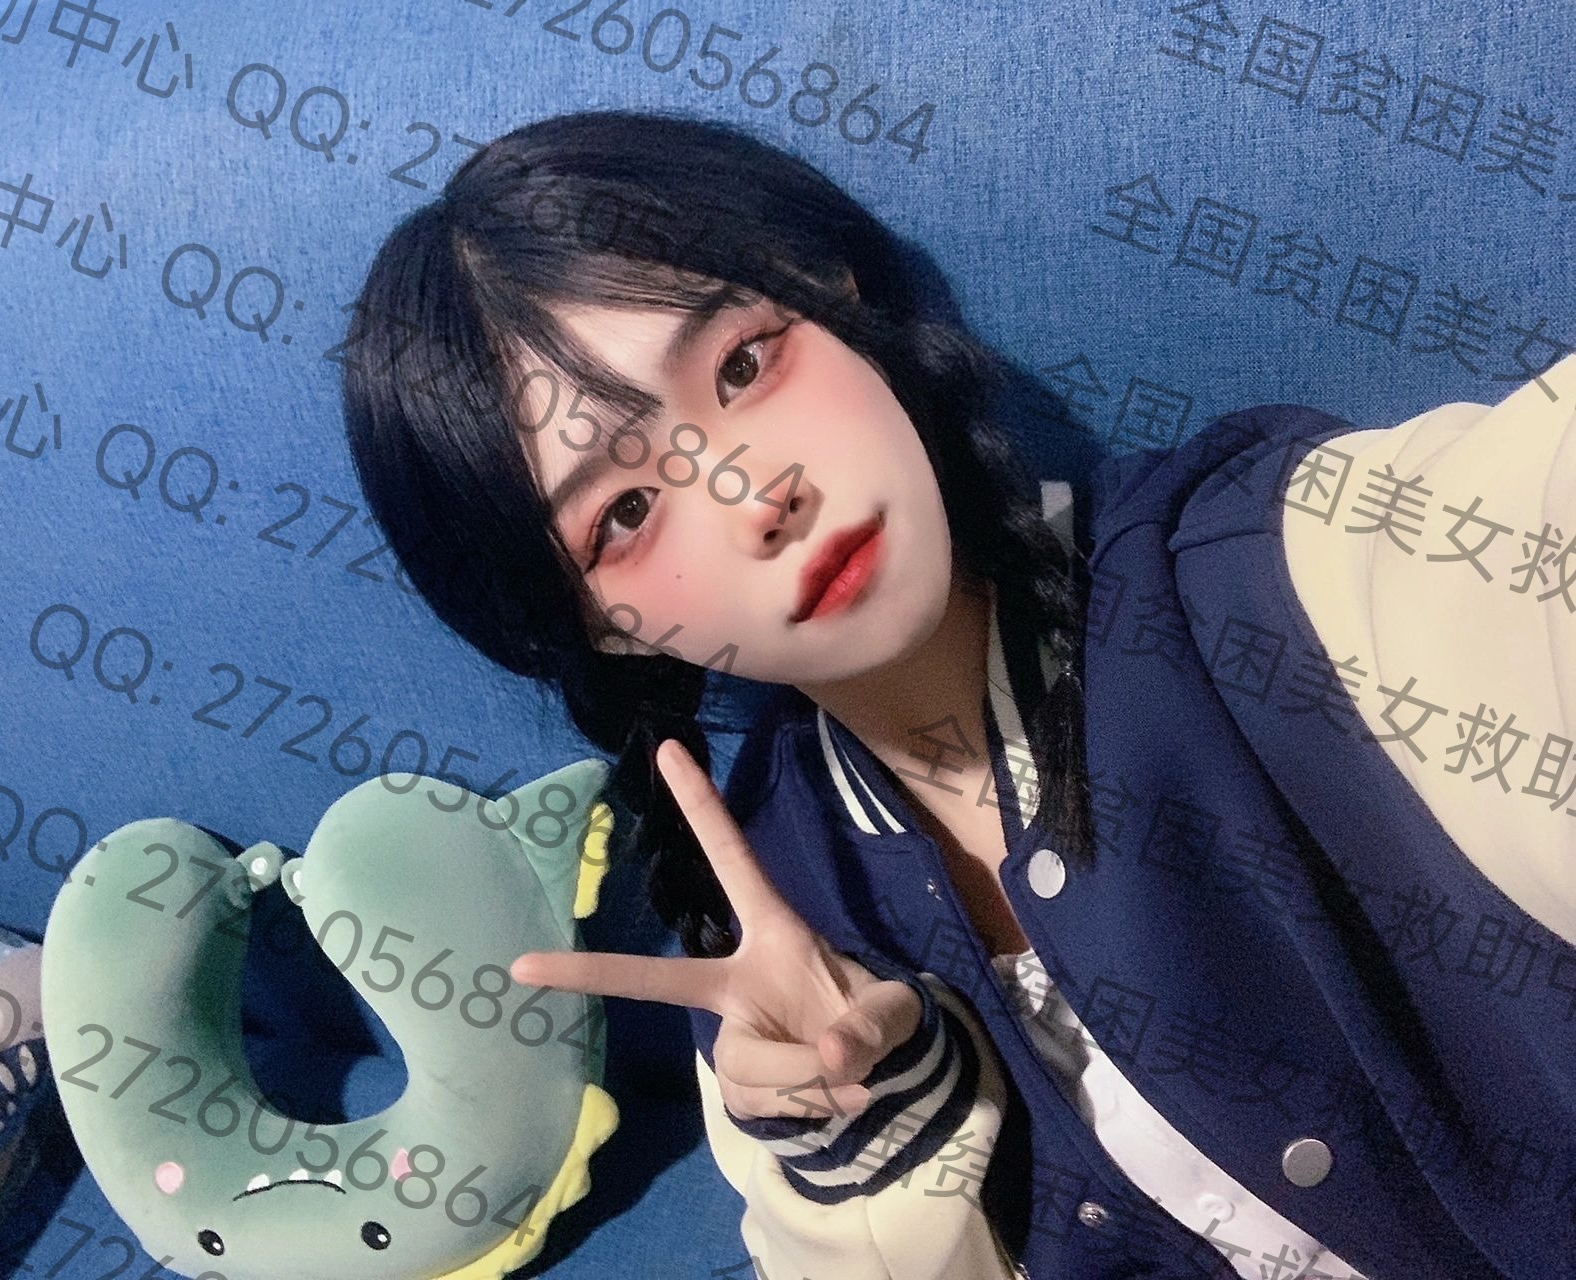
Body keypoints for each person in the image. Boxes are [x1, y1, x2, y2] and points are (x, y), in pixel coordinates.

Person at [339, 105, 1576, 1278]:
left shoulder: (1268, 578)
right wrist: (862, 1131)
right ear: (593, 628)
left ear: (834, 291)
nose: (754, 496)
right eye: (623, 512)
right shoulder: (766, 934)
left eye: (742, 364)